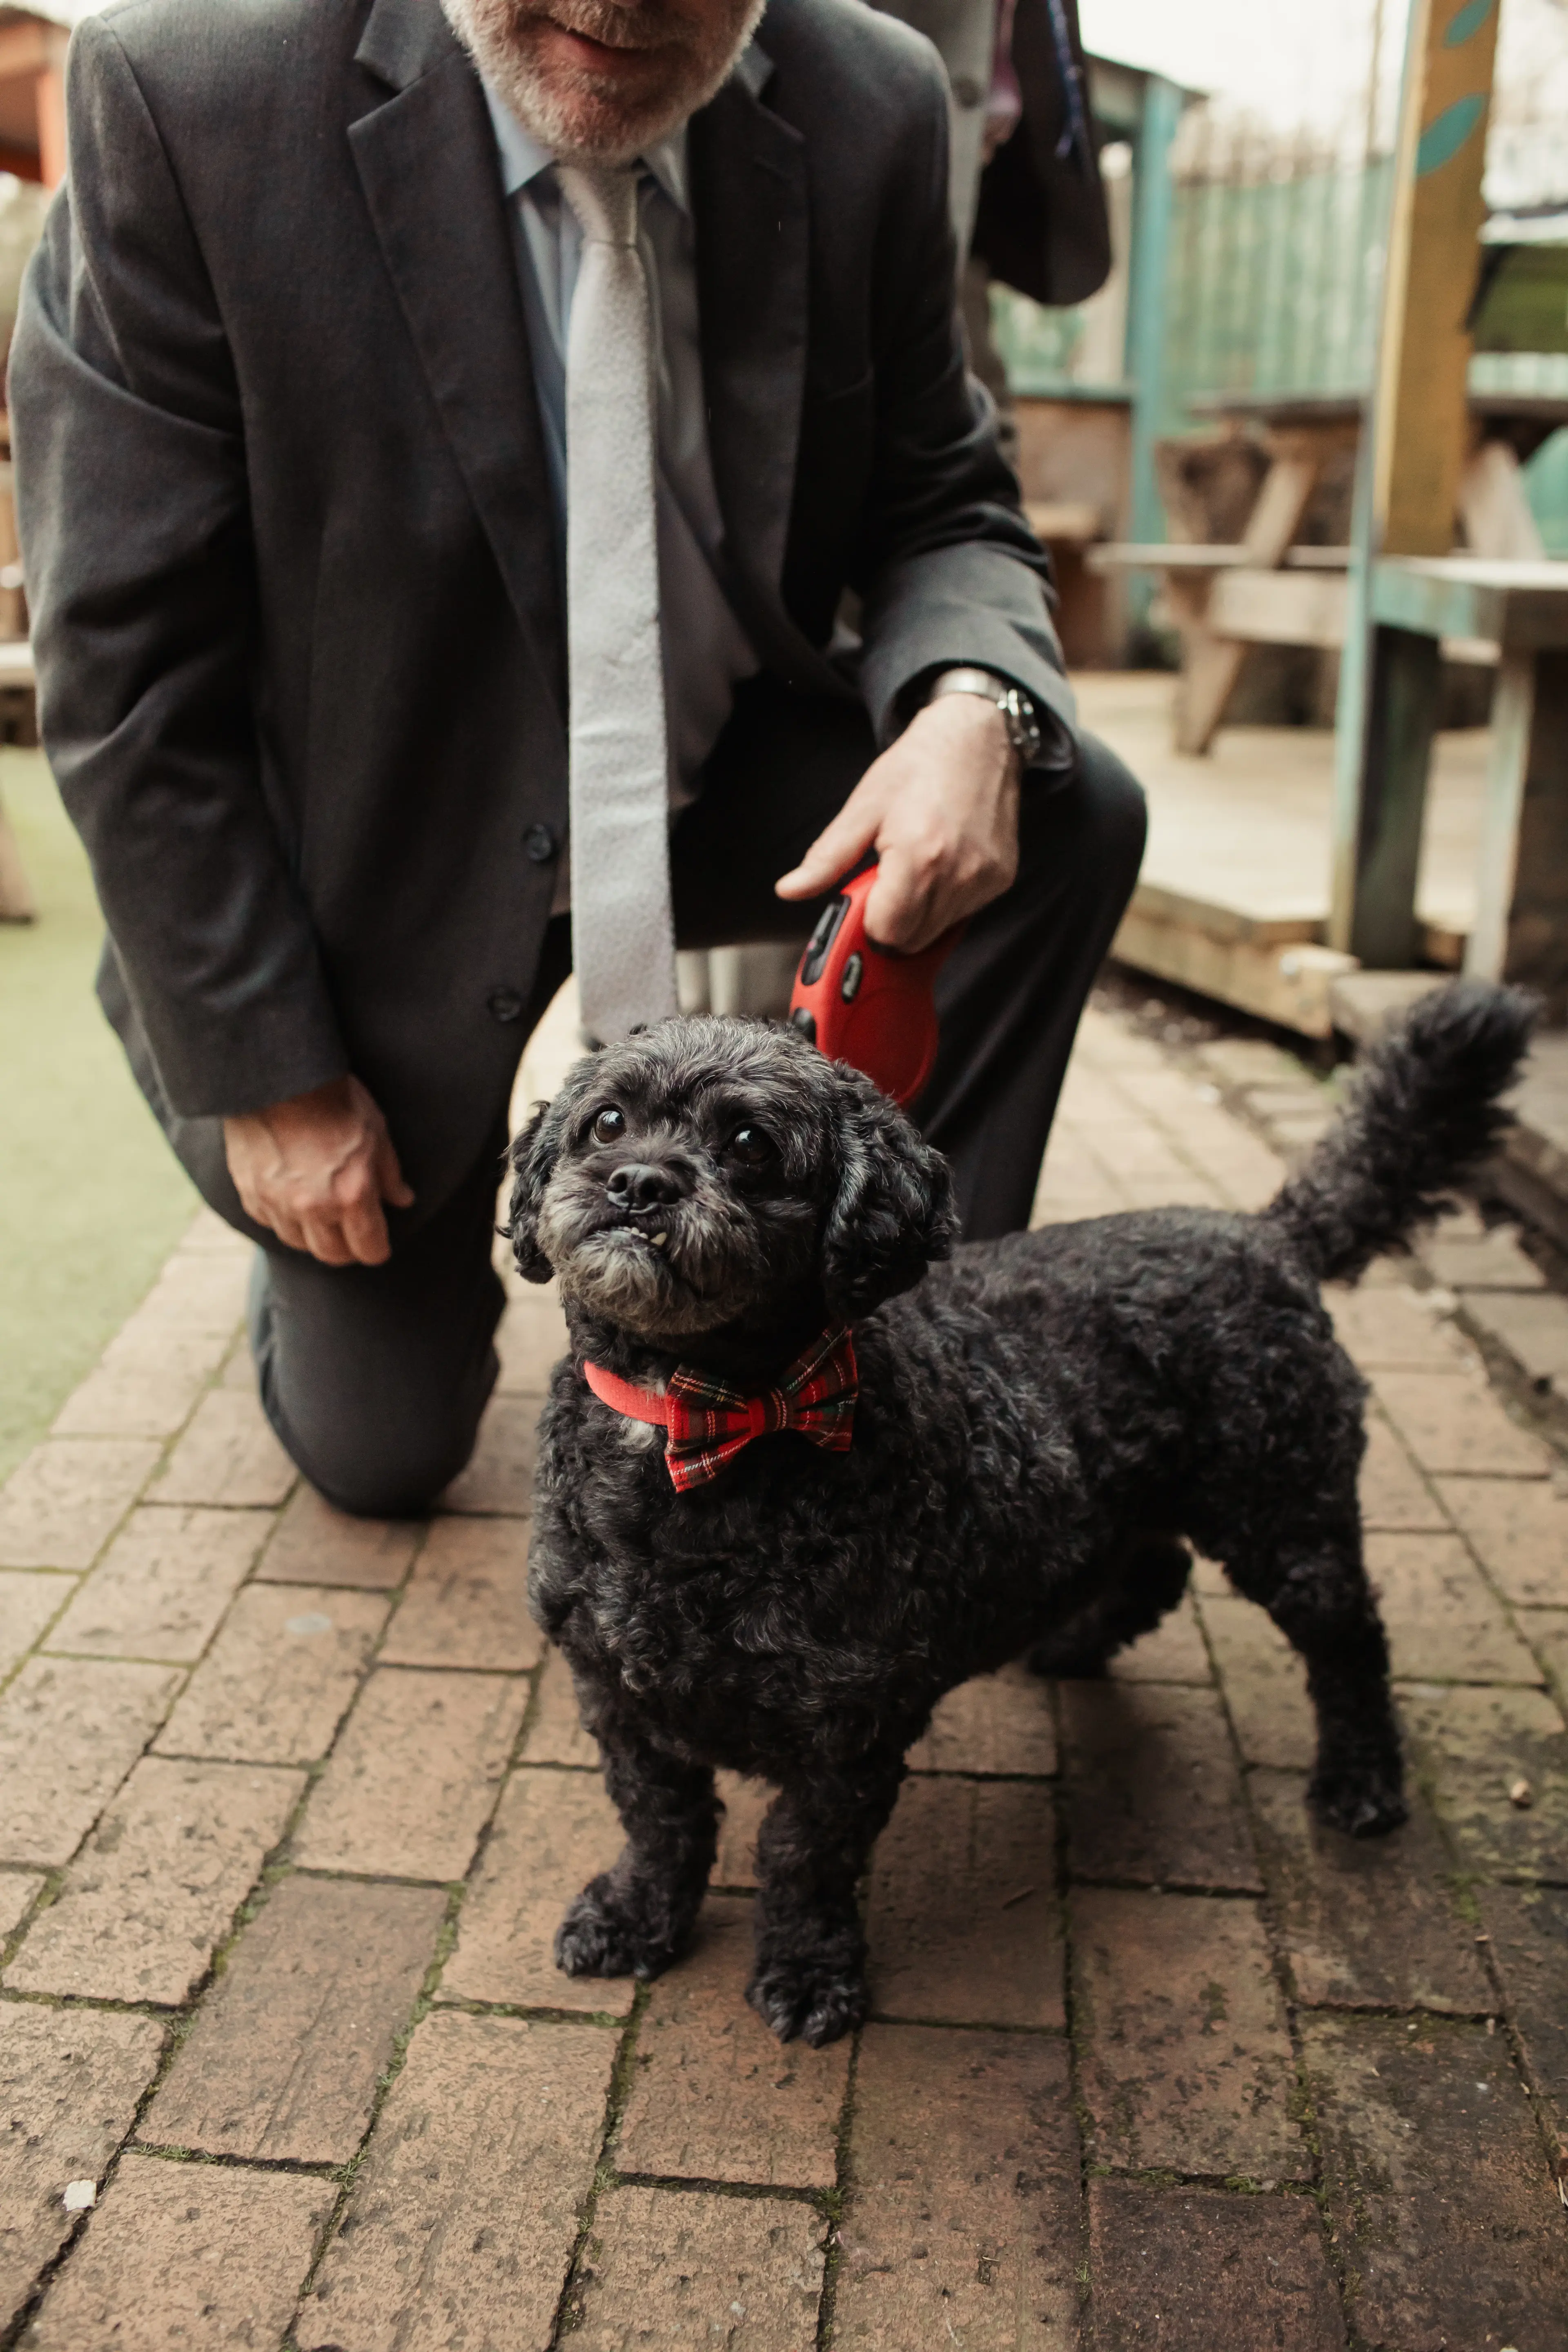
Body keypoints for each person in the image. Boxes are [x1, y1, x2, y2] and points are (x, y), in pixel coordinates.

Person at [11, 0, 1145, 1518]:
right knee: (385, 1454)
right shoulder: (181, 92)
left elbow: (944, 491)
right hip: (378, 849)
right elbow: (129, 665)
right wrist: (266, 1075)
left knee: (1063, 802)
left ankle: (917, 1339)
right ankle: (309, 1235)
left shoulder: (870, 96)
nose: (616, 6)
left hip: (712, 779)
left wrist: (967, 705)